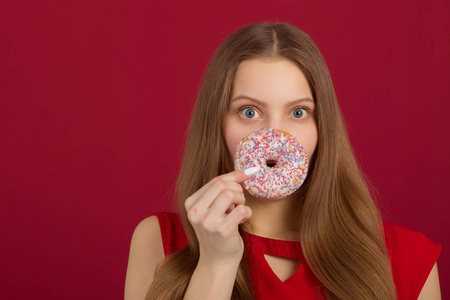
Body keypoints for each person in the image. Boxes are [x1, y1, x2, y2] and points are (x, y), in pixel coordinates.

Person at [124, 22, 441, 299]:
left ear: (322, 128)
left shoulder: (408, 258)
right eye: (250, 112)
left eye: (298, 112)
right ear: (217, 126)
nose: (274, 136)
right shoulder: (160, 241)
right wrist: (215, 265)